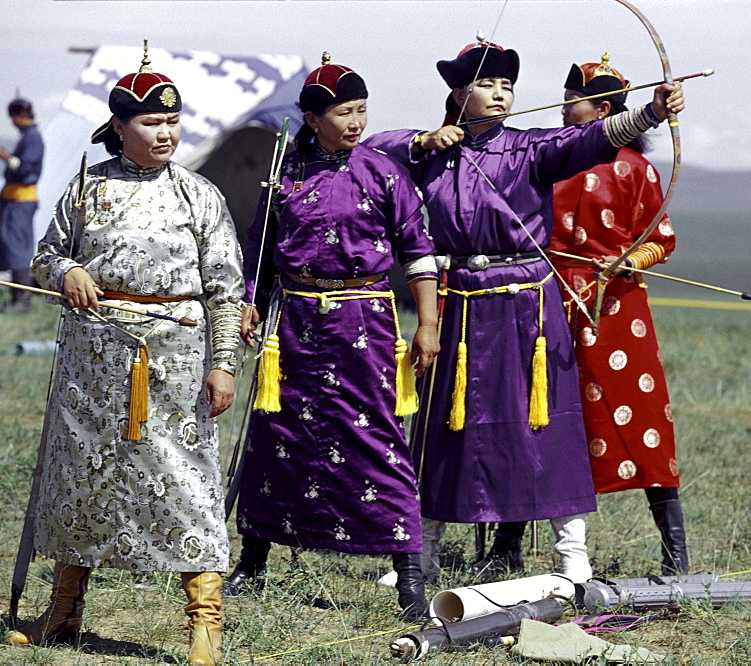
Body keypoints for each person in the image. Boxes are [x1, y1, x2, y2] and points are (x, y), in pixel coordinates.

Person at [365, 38, 684, 587]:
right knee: (447, 427)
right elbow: (371, 150)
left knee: (547, 425)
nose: (500, 95)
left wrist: (652, 112)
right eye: (487, 85)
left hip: (527, 304)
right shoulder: (433, 151)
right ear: (459, 93)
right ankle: (424, 553)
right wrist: (423, 139)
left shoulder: (531, 148)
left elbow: (592, 137)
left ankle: (572, 556)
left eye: (508, 86)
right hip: (461, 297)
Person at [11, 46, 243, 665]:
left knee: (184, 484)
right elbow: (44, 255)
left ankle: (204, 622)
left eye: (173, 122)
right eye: (150, 122)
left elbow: (226, 289)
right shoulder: (86, 188)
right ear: (119, 126)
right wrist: (66, 272)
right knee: (80, 477)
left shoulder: (200, 195)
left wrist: (224, 364)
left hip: (175, 361)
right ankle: (63, 613)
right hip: (92, 361)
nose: (165, 132)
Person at [228, 54, 439, 622]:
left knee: (378, 440)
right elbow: (260, 249)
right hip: (292, 322)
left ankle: (411, 579)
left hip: (363, 323)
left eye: (362, 111)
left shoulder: (383, 172)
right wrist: (250, 302)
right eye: (344, 112)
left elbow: (419, 253)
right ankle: (253, 559)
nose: (356, 122)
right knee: (278, 434)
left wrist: (429, 324)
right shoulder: (284, 174)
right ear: (312, 117)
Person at [475, 55, 690, 578]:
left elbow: (661, 241)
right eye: (568, 95)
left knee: (642, 420)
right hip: (545, 297)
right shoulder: (544, 155)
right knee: (536, 411)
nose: (567, 104)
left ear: (604, 109)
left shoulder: (637, 169)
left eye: (576, 98)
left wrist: (625, 260)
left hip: (615, 306)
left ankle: (677, 554)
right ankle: (507, 545)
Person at [0, 95, 44, 313]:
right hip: (14, 200)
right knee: (12, 246)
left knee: (18, 247)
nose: (12, 122)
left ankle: (23, 302)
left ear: (21, 115)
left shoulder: (33, 138)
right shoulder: (28, 137)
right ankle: (17, 299)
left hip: (20, 201)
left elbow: (24, 168)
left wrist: (2, 155)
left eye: (13, 117)